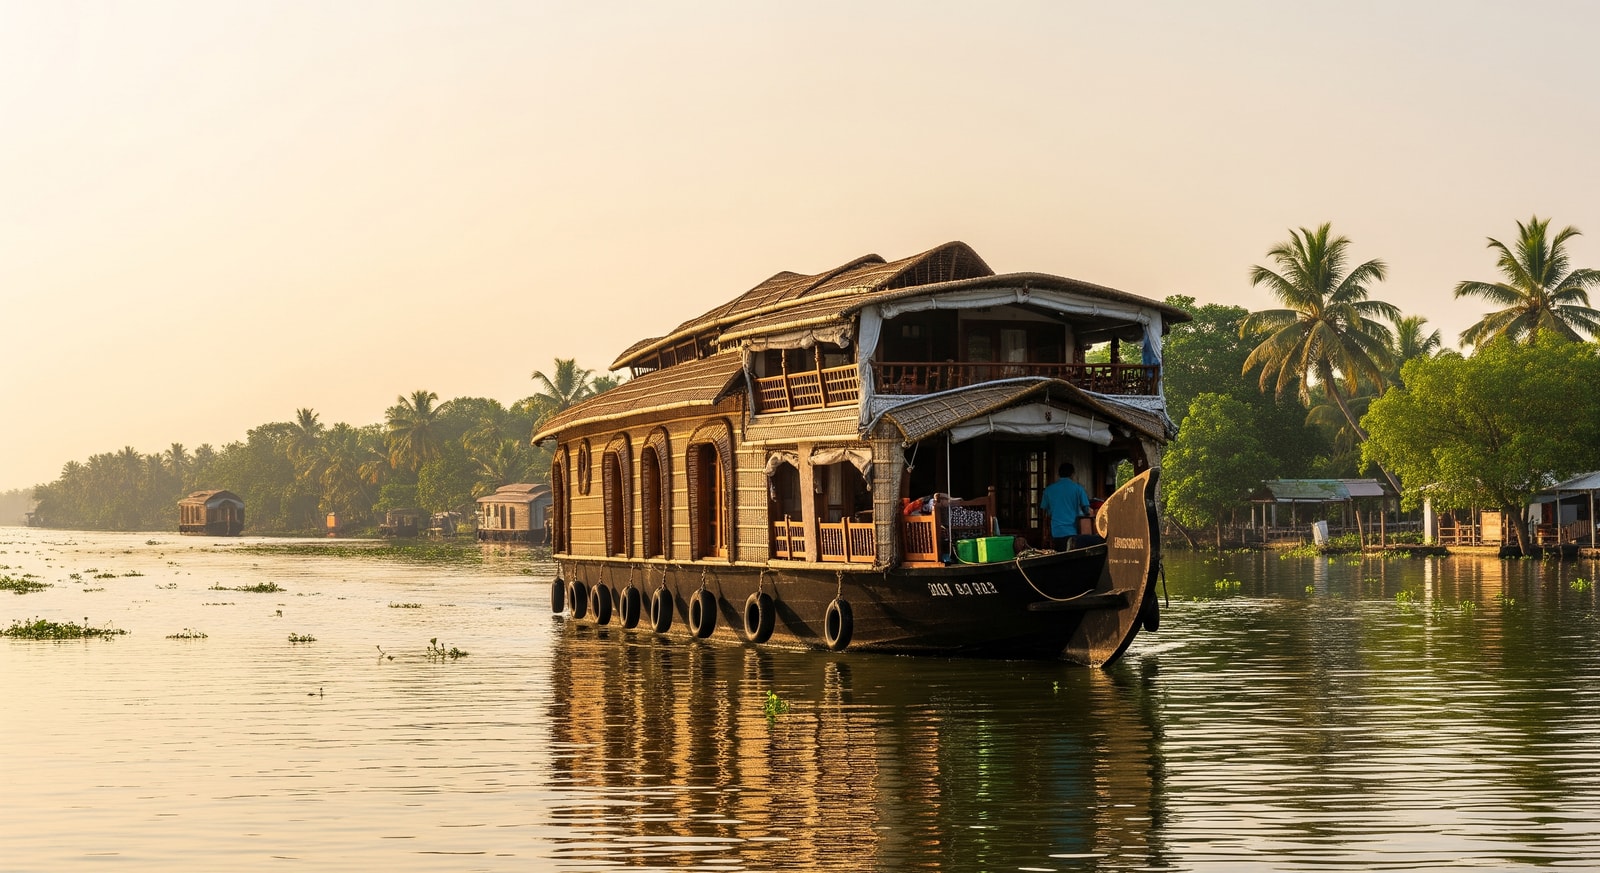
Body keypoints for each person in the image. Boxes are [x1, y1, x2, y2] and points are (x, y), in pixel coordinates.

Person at [1040, 462, 1092, 550]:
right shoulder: (1078, 489)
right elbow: (1086, 508)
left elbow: (1044, 511)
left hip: (1056, 532)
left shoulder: (1049, 490)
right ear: (1072, 474)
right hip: (1073, 531)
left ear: (1059, 474)